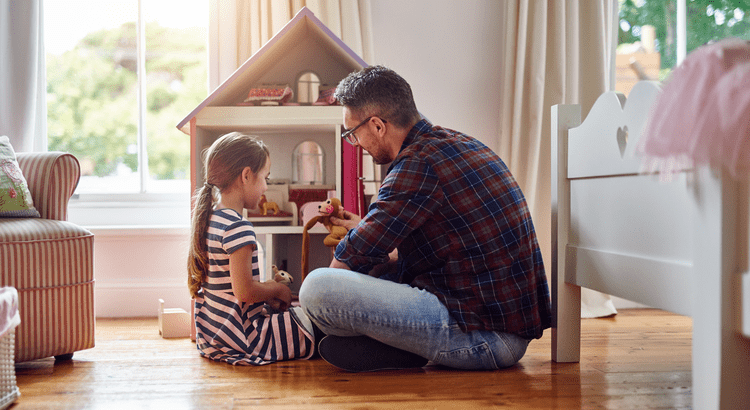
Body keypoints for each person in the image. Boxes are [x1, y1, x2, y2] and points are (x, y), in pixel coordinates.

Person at [299, 66, 551, 372]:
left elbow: (349, 258)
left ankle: (402, 344)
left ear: (377, 125)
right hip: (497, 324)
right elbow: (414, 251)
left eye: (353, 134)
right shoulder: (458, 143)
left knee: (317, 288)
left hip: (484, 338)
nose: (355, 143)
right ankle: (405, 347)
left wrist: (323, 305)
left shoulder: (417, 164)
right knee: (382, 269)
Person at [187, 132, 320, 365]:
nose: (265, 188)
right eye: (265, 178)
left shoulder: (210, 220)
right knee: (313, 322)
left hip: (213, 338)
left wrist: (266, 294)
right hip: (247, 340)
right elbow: (245, 292)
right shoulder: (238, 227)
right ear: (246, 175)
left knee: (297, 318)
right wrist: (276, 290)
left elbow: (232, 292)